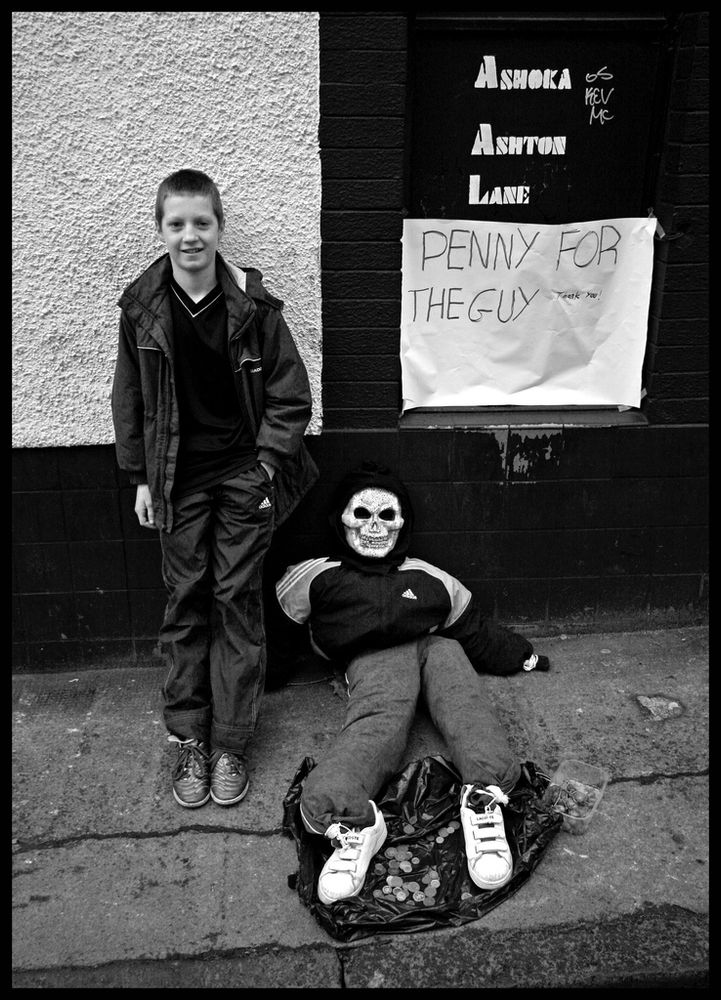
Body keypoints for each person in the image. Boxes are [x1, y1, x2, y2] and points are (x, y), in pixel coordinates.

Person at [112, 168, 317, 809]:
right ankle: (188, 740)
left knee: (236, 602)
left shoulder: (254, 310)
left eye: (201, 222)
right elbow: (130, 398)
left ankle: (230, 743)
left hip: (242, 480)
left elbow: (290, 396)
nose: (190, 236)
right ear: (160, 230)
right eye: (177, 223)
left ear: (220, 227)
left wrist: (265, 467)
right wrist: (140, 478)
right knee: (185, 603)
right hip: (176, 482)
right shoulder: (142, 310)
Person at [274, 461, 549, 905]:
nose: (374, 527)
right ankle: (348, 816)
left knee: (464, 699)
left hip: (437, 645)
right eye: (362, 514)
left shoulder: (430, 577)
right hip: (376, 655)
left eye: (387, 516)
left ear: (402, 523)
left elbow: (473, 630)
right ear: (341, 519)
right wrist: (263, 676)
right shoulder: (316, 575)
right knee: (380, 718)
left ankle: (485, 796)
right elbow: (280, 629)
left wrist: (523, 655)